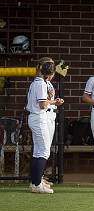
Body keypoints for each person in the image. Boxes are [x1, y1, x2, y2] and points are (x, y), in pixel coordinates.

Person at [26, 57, 64, 193]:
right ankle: (36, 184)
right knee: (44, 151)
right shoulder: (40, 83)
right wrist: (55, 102)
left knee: (39, 150)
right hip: (40, 117)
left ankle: (35, 181)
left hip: (42, 116)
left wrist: (53, 102)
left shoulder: (41, 82)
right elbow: (42, 104)